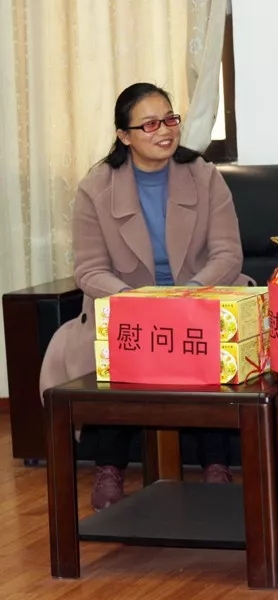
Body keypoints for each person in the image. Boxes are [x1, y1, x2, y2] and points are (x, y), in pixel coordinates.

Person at [39, 82, 251, 511]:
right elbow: (89, 269)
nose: (165, 130)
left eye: (170, 119)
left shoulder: (204, 176)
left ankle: (216, 465)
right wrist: (137, 301)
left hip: (201, 296)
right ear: (124, 136)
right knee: (119, 346)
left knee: (208, 341)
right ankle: (110, 468)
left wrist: (189, 295)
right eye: (150, 124)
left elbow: (228, 254)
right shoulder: (96, 187)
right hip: (126, 304)